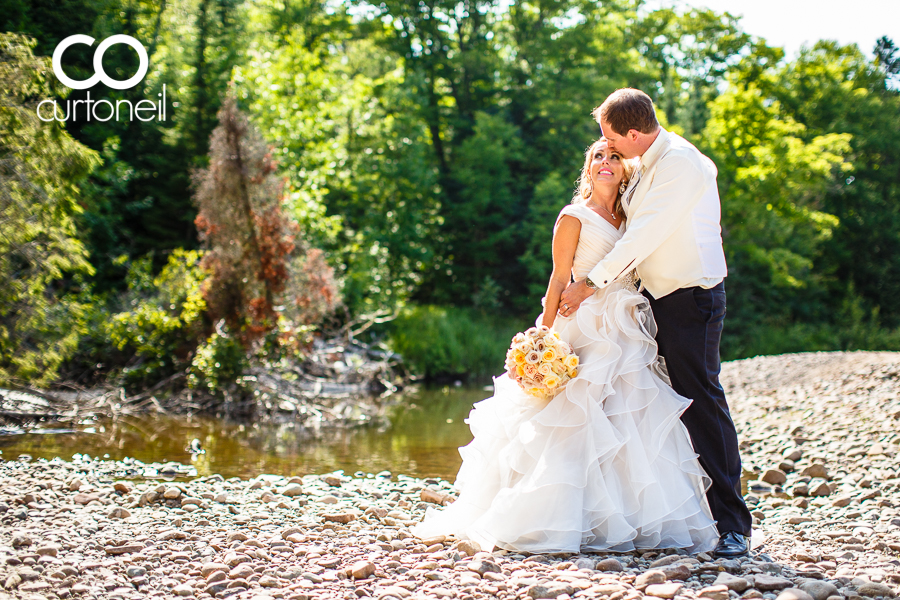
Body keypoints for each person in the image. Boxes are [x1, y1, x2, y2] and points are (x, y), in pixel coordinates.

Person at [410, 137, 719, 554]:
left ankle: (627, 519)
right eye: (598, 157)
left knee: (629, 418)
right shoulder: (573, 216)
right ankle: (556, 516)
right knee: (575, 416)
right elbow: (558, 279)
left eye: (614, 157)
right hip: (584, 326)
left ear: (625, 167)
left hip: (629, 327)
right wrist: (545, 336)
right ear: (587, 168)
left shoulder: (632, 218)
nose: (606, 162)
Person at [558, 88, 753, 558]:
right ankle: (673, 512)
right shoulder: (651, 161)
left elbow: (644, 235)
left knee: (701, 400)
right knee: (660, 406)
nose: (608, 148)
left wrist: (588, 283)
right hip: (653, 301)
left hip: (691, 298)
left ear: (632, 133)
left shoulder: (681, 163)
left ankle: (732, 525)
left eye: (610, 139)